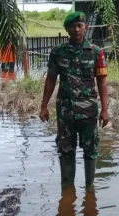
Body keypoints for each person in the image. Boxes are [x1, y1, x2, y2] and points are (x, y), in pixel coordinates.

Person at [39, 11, 109, 189]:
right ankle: (67, 191)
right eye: (73, 26)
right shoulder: (58, 52)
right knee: (66, 151)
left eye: (80, 25)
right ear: (67, 29)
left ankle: (90, 190)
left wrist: (105, 110)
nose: (76, 29)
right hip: (65, 112)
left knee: (90, 151)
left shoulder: (96, 52)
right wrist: (44, 106)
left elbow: (102, 81)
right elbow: (51, 79)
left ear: (86, 27)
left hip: (88, 112)